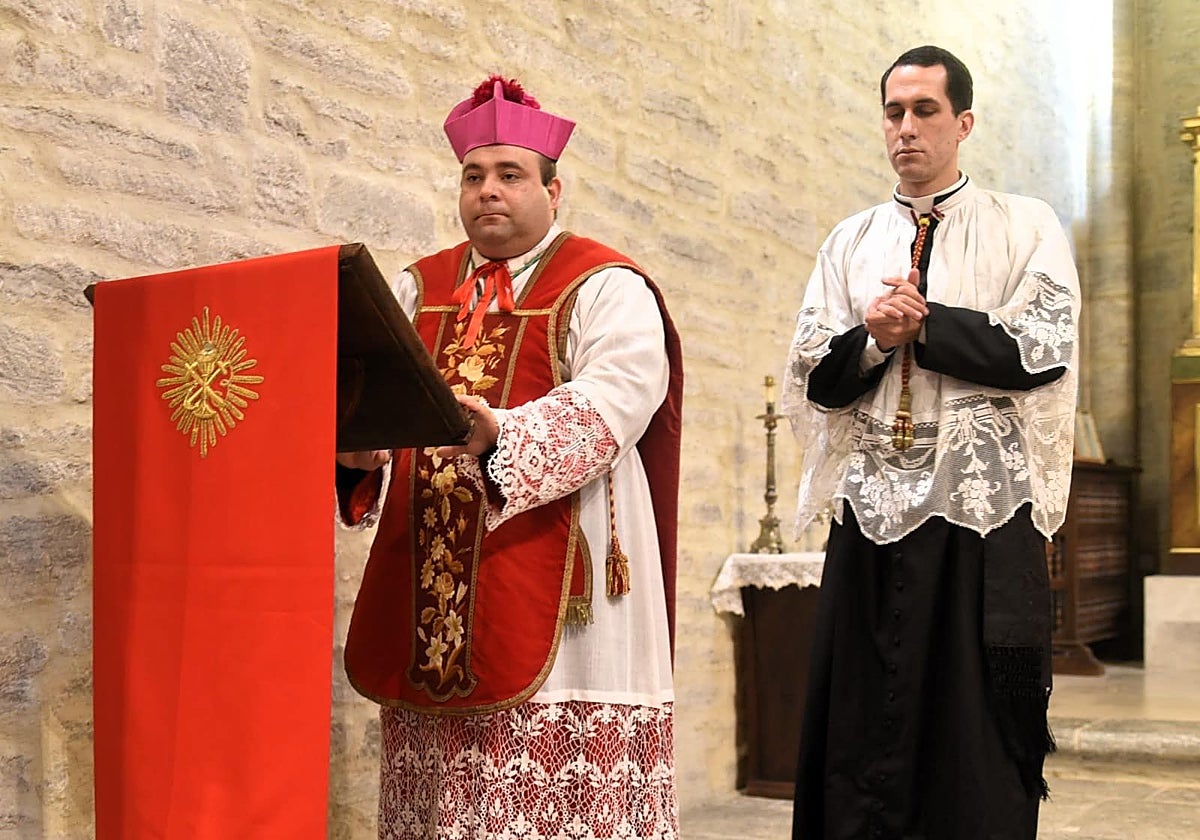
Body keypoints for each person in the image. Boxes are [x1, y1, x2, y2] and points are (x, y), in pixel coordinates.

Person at [335, 76, 683, 840]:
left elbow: (620, 397)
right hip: (433, 576)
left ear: (554, 191)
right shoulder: (413, 287)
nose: (488, 191)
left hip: (565, 567)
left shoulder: (604, 283)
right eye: (473, 176)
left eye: (510, 175)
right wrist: (361, 453)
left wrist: (503, 434)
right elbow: (381, 409)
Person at [781, 46, 1079, 840]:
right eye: (893, 111)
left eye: (925, 111)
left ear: (964, 123)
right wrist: (874, 343)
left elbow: (1039, 350)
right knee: (861, 708)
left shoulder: (1025, 224)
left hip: (977, 514)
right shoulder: (851, 240)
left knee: (970, 716)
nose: (905, 128)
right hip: (872, 511)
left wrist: (926, 325)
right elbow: (817, 374)